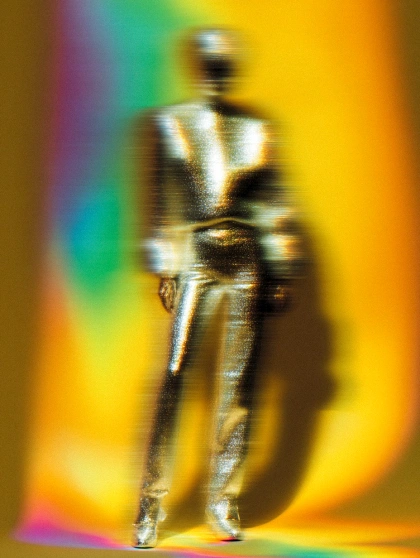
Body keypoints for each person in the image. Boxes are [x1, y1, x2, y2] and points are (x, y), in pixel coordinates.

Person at [133, 28, 303, 548]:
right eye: (211, 61)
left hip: (247, 253)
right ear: (198, 65)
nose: (218, 69)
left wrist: (281, 266)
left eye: (225, 62)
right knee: (176, 371)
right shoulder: (172, 125)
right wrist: (165, 265)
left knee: (239, 380)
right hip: (199, 250)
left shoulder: (256, 130)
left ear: (232, 67)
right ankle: (149, 506)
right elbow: (160, 203)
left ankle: (222, 503)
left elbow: (274, 201)